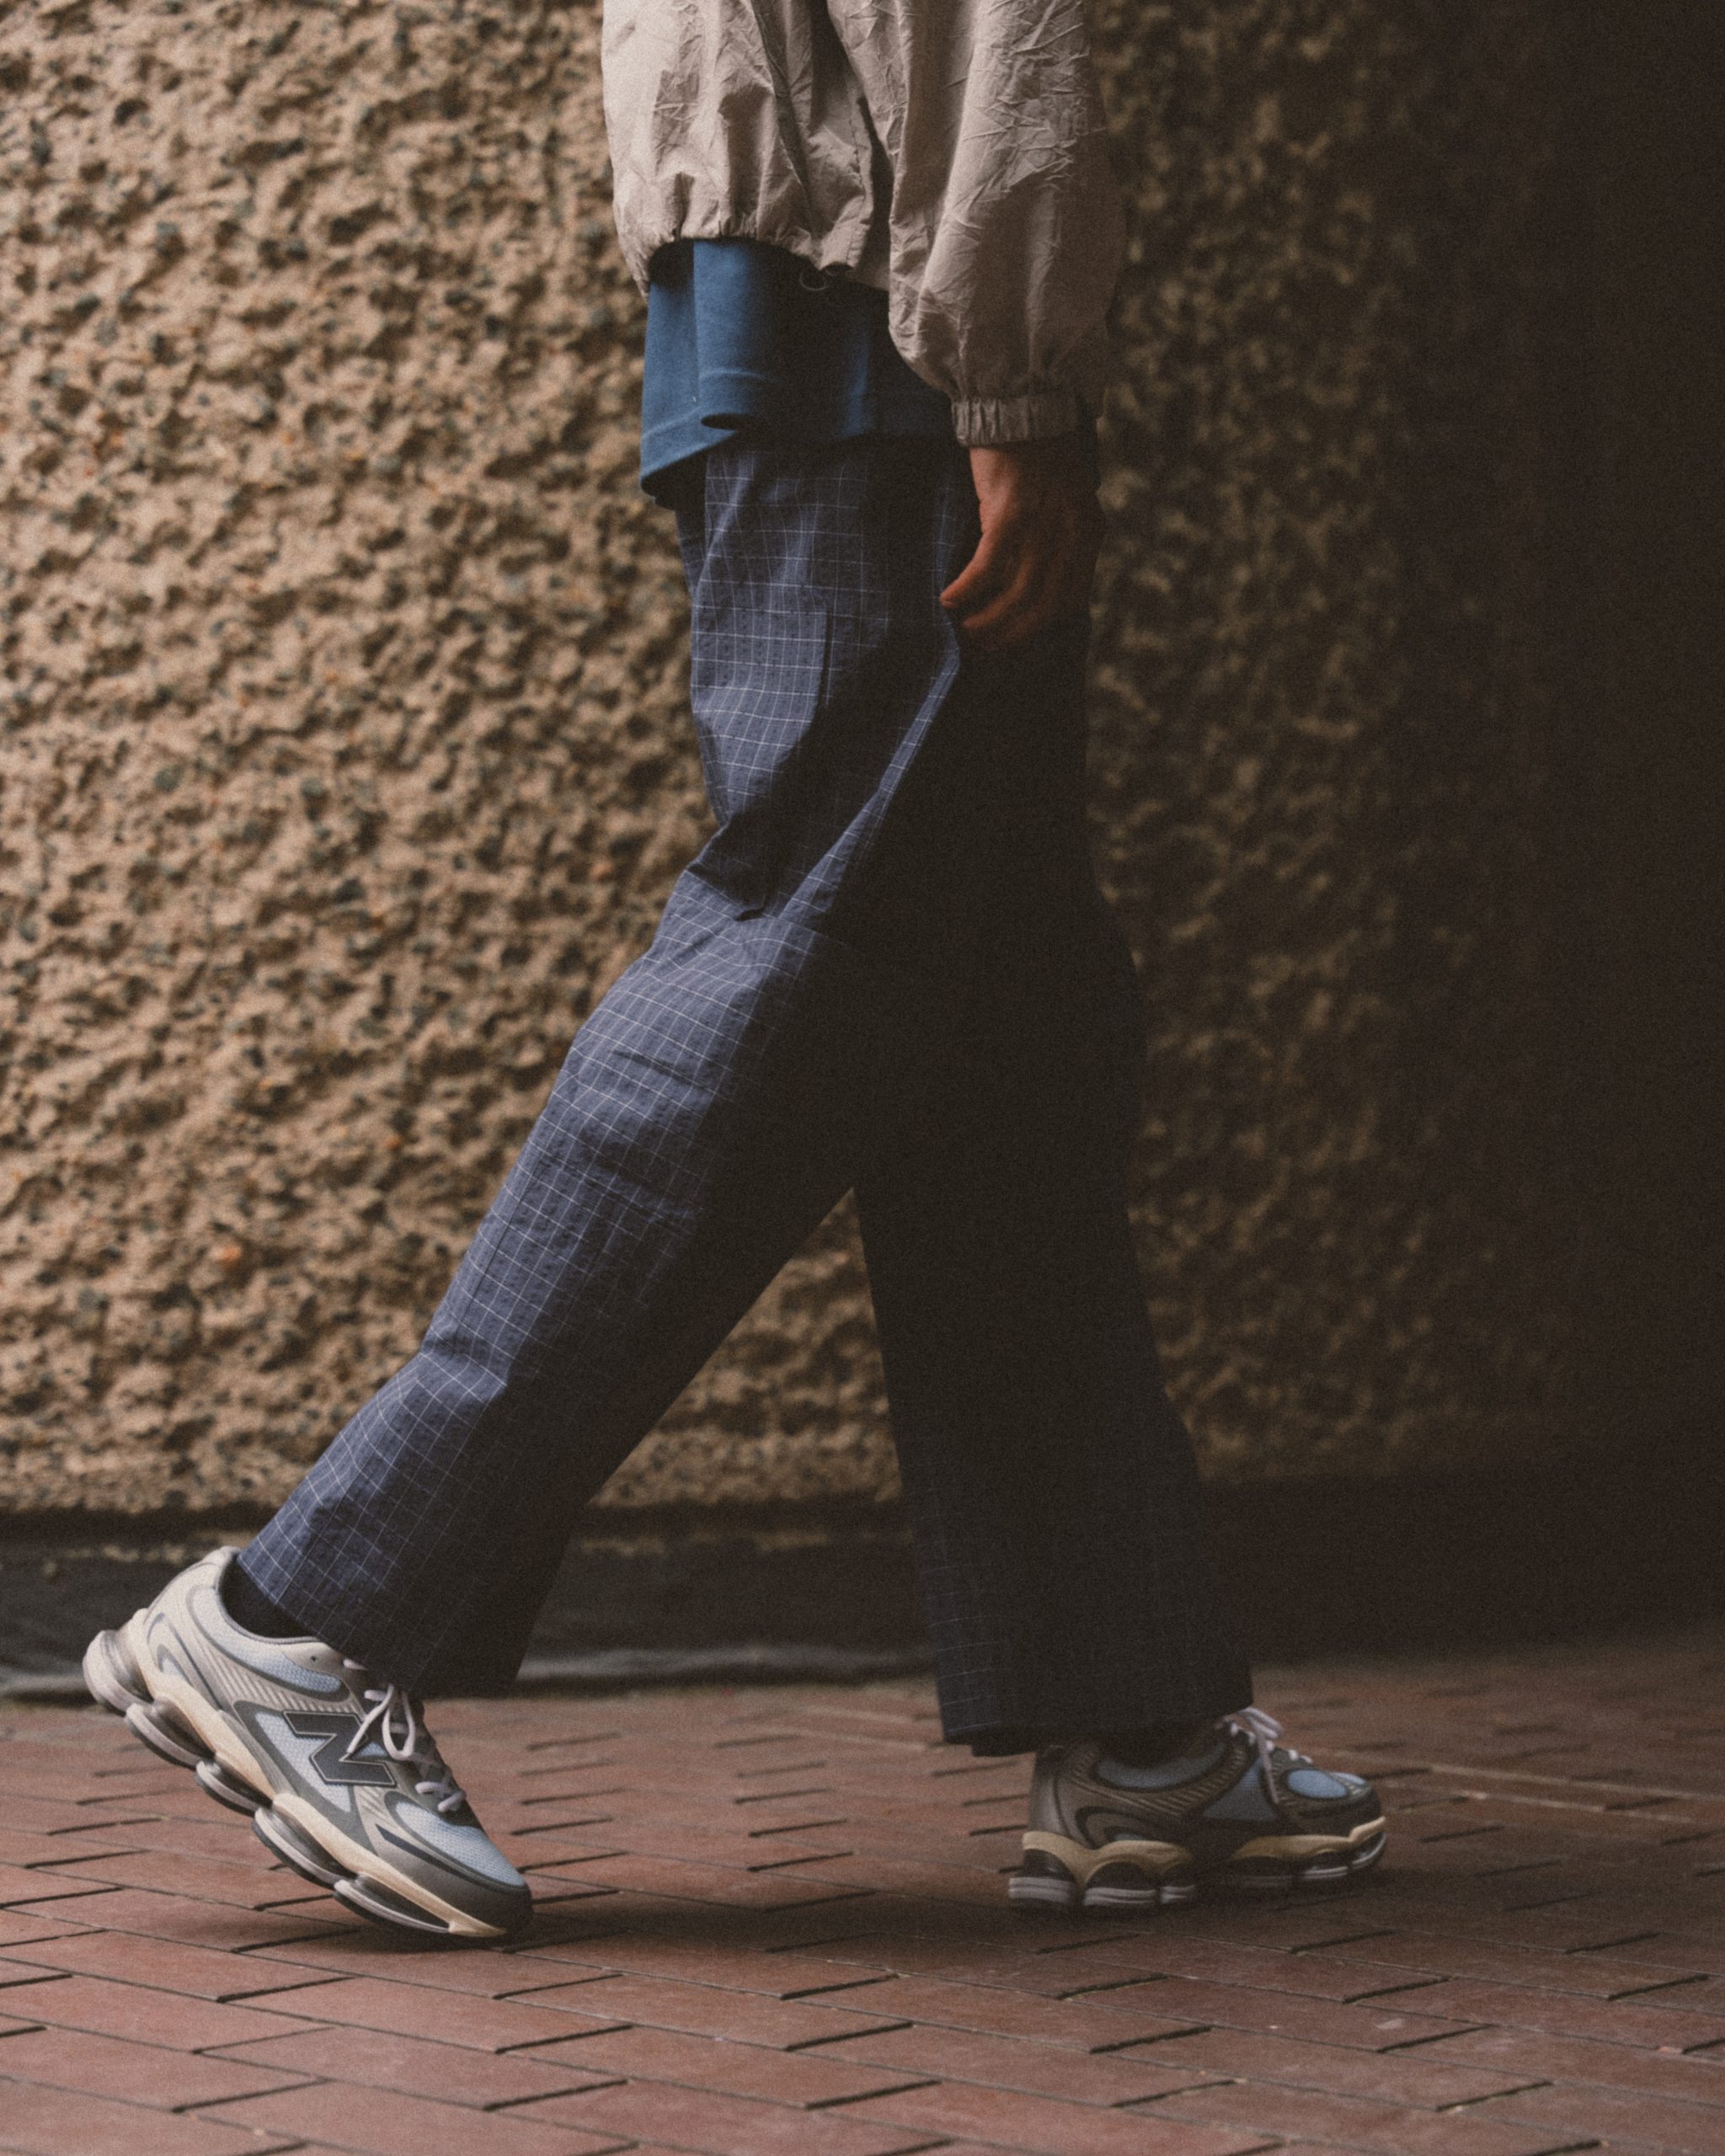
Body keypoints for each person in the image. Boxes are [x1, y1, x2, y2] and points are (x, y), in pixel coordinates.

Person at [82, 0, 1385, 1940]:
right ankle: (305, 1615)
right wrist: (1013, 381)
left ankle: (1135, 1719)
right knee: (809, 954)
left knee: (1005, 1039)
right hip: (884, 327)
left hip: (812, 304)